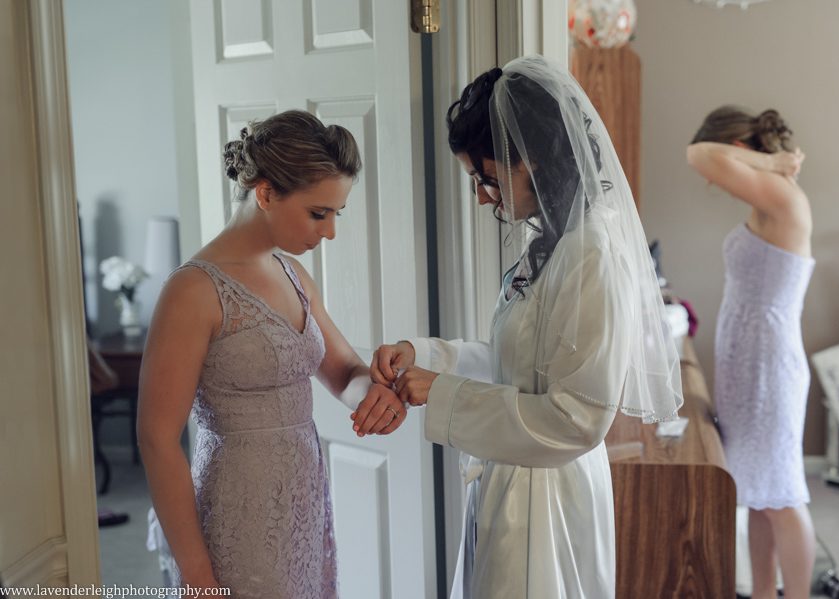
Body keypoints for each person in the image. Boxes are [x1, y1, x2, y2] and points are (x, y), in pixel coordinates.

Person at [353, 56, 683, 599]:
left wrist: (445, 393)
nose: (482, 196)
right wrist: (426, 357)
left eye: (487, 177)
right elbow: (524, 366)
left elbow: (578, 418)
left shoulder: (591, 254)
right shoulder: (553, 243)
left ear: (534, 160)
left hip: (548, 500)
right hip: (516, 483)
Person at [137, 110, 407, 598]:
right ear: (265, 193)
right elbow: (157, 440)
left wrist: (375, 394)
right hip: (238, 510)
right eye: (318, 213)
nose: (329, 233)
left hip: (303, 504)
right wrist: (199, 579)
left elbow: (344, 372)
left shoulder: (293, 275)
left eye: (335, 214)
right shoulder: (194, 290)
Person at [687, 106, 815, 599]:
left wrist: (768, 165)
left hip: (769, 370)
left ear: (738, 152)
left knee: (783, 496)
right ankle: (764, 593)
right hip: (751, 366)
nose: (717, 183)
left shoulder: (780, 193)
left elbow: (696, 154)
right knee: (760, 496)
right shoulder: (769, 194)